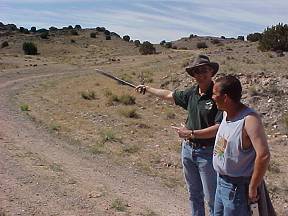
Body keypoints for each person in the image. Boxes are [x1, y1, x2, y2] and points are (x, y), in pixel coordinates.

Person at [136, 55, 222, 216]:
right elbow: (169, 95)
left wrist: (191, 133)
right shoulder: (192, 92)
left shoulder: (218, 94)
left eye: (204, 70)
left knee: (212, 198)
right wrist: (147, 88)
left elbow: (218, 127)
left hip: (208, 153)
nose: (200, 74)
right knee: (194, 194)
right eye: (196, 71)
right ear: (193, 74)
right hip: (188, 150)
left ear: (211, 71)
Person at [212, 75, 271, 215]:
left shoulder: (249, 120)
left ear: (225, 97)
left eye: (215, 93)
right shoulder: (226, 114)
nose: (212, 97)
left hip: (237, 188)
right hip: (221, 182)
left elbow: (263, 155)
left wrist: (253, 186)